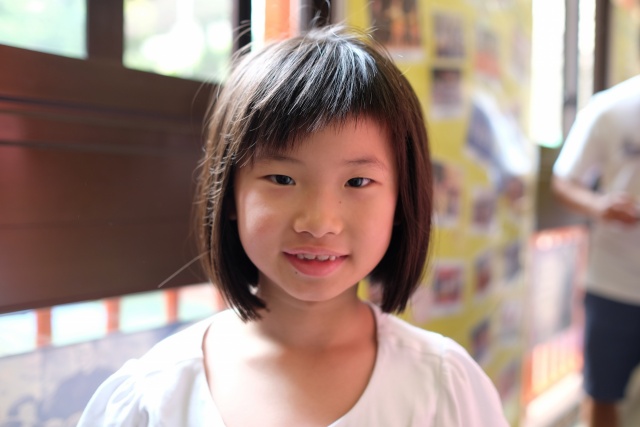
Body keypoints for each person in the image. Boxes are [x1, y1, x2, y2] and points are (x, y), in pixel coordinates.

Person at [77, 24, 508, 426]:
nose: (319, 223)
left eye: (358, 182)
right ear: (230, 195)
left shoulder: (443, 386)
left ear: (401, 200)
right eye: (282, 179)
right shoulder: (156, 394)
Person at [552, 75, 640, 427]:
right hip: (613, 282)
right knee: (602, 393)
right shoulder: (610, 107)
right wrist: (600, 206)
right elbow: (564, 179)